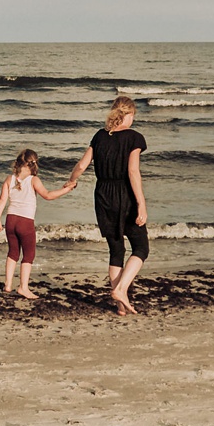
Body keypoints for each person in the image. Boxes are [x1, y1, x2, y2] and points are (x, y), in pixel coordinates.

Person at [66, 95, 148, 315]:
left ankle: (120, 305)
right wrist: (141, 203)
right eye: (133, 115)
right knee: (141, 247)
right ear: (128, 114)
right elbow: (132, 171)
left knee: (116, 250)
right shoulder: (134, 137)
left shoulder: (99, 136)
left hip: (103, 195)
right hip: (125, 195)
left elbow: (82, 164)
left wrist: (71, 181)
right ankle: (121, 289)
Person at [0, 148, 76, 299]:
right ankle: (23, 287)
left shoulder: (9, 179)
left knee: (13, 253)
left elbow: (2, 200)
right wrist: (67, 189)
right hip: (25, 221)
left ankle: (8, 285)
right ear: (34, 164)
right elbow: (48, 196)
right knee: (28, 255)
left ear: (18, 162)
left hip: (11, 220)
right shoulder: (33, 180)